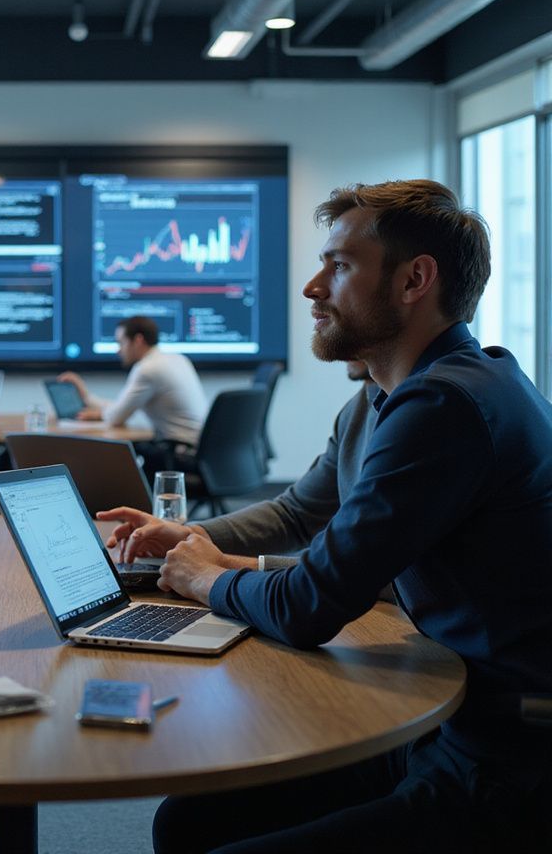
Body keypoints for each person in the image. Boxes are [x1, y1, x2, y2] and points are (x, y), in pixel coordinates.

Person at [107, 181, 552, 853]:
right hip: (446, 715)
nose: (313, 287)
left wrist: (203, 579)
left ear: (414, 281)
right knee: (187, 820)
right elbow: (299, 510)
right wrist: (190, 541)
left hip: (506, 758)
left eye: (340, 265)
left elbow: (310, 604)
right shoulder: (388, 399)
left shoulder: (446, 408)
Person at [108, 360, 377, 572]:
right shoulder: (361, 405)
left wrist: (219, 566)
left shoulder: (414, 415)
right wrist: (190, 535)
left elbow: (364, 571)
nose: (312, 290)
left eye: (339, 285)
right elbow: (295, 515)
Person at [58, 315, 207, 474]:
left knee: (114, 458)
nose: (119, 349)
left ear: (138, 340)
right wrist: (86, 396)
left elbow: (115, 417)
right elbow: (120, 408)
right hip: (204, 454)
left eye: (121, 342)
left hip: (180, 456)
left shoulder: (147, 369)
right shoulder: (178, 359)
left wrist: (99, 412)